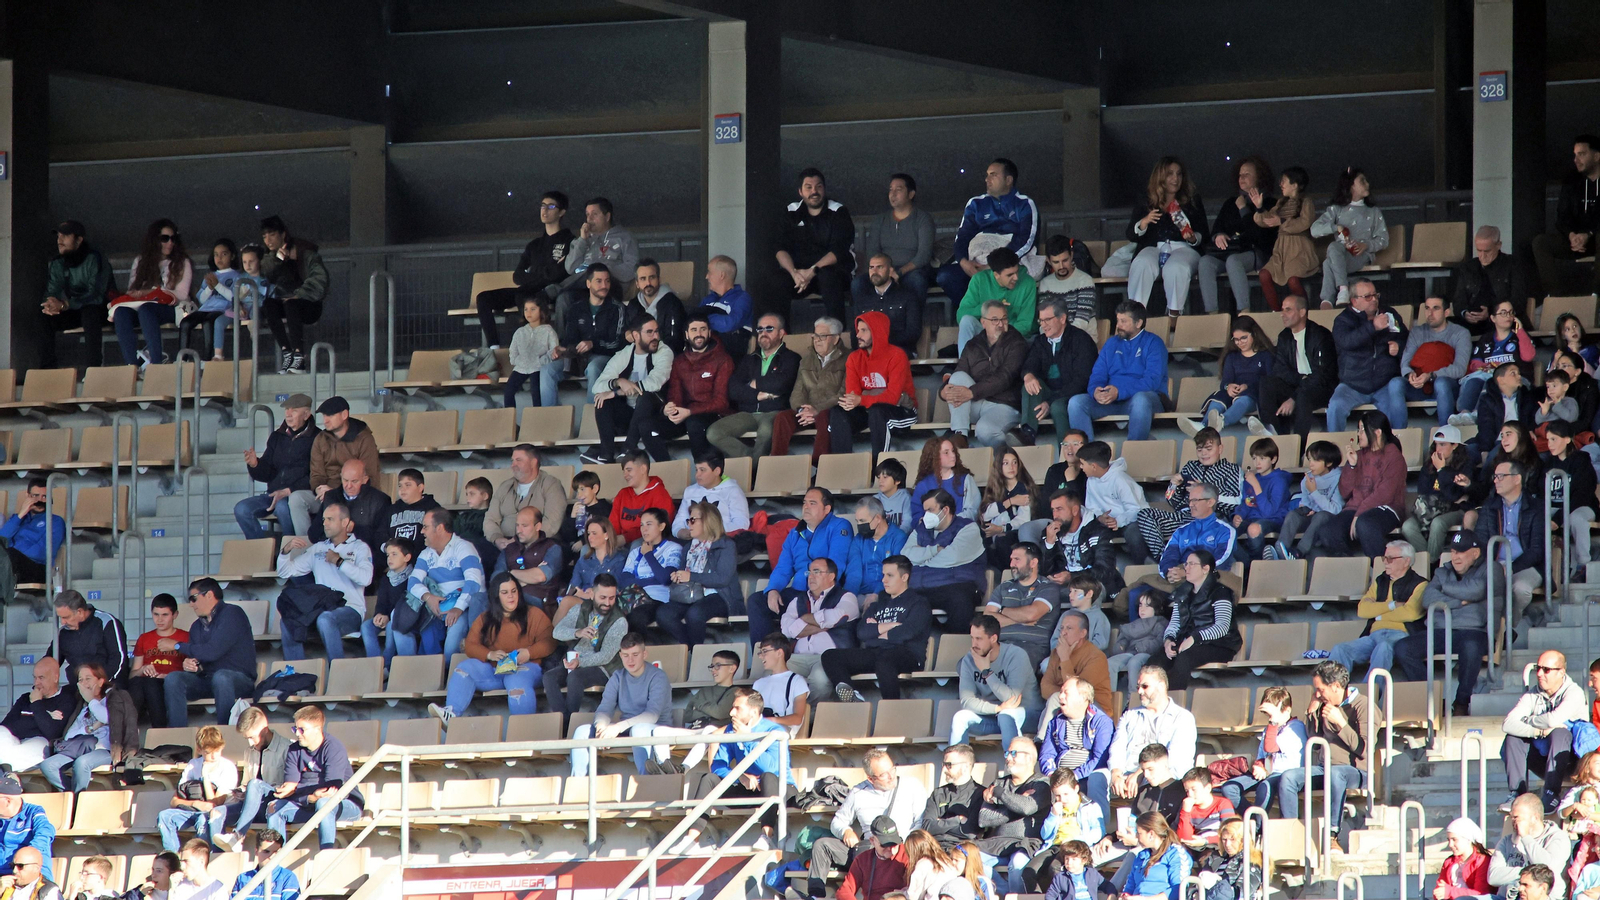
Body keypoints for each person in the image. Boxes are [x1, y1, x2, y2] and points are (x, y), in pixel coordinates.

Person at [670, 688, 795, 852]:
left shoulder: (774, 731)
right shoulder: (731, 730)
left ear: (753, 711)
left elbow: (771, 767)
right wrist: (739, 776)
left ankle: (767, 837)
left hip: (780, 788)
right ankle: (692, 839)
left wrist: (749, 739)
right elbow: (718, 766)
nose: (731, 713)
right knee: (709, 779)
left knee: (768, 777)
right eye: (732, 707)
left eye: (737, 708)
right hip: (749, 788)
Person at [430, 571, 555, 725]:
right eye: (505, 592)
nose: (511, 596)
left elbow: (550, 641)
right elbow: (470, 645)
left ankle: (522, 728)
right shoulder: (485, 618)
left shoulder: (534, 614)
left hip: (525, 668)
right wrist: (489, 654)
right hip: (494, 670)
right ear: (496, 596)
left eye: (514, 591)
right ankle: (451, 713)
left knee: (516, 679)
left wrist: (529, 653)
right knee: (464, 667)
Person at [807, 748, 929, 900]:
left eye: (892, 769)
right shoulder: (858, 792)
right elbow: (837, 821)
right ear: (871, 779)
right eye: (884, 774)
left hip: (901, 848)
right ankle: (815, 896)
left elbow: (921, 823)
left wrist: (900, 845)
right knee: (821, 845)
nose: (891, 776)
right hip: (868, 849)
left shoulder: (912, 786)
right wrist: (846, 831)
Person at [1394, 530, 1492, 717]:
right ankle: (1434, 700)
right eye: (1453, 552)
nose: (1455, 557)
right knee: (1403, 648)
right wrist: (1459, 601)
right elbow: (1428, 599)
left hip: (1473, 631)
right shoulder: (1441, 572)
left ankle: (1462, 702)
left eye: (1461, 552)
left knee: (1471, 647)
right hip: (1441, 630)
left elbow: (1477, 590)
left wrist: (1444, 590)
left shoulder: (1489, 569)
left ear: (1475, 553)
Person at [747, 486, 854, 642]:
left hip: (825, 593)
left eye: (812, 503)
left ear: (827, 509)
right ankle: (766, 652)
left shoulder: (839, 526)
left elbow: (836, 564)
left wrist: (817, 591)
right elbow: (783, 568)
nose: (806, 507)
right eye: (804, 503)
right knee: (757, 601)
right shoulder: (795, 533)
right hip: (799, 592)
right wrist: (773, 589)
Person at [1277, 660, 1370, 837]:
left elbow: (1364, 750)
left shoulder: (1363, 705)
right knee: (1288, 777)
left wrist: (1341, 723)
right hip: (1325, 768)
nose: (1317, 694)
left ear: (1335, 686)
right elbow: (1315, 740)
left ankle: (1332, 834)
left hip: (1355, 771)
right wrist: (1312, 712)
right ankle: (1290, 835)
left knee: (1335, 773)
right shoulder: (1326, 705)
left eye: (1321, 689)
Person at [823, 556, 932, 702]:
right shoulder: (877, 605)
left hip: (907, 655)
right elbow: (862, 632)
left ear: (904, 577)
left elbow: (907, 632)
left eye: (890, 575)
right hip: (876, 653)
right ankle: (853, 697)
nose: (883, 580)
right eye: (883, 575)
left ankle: (890, 708)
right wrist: (892, 626)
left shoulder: (919, 603)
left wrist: (876, 631)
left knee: (885, 661)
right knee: (830, 656)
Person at [275, 501, 372, 661]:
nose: (325, 524)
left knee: (326, 619)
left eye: (330, 519)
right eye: (324, 519)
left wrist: (339, 562)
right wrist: (286, 551)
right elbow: (285, 572)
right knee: (288, 621)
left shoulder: (359, 547)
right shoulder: (318, 549)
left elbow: (366, 578)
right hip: (320, 609)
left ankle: (337, 669)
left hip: (351, 609)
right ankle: (296, 672)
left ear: (345, 522)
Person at [475, 190, 573, 348]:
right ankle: (493, 347)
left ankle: (536, 345)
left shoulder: (569, 241)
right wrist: (545, 274)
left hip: (551, 292)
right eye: (542, 206)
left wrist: (536, 276)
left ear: (561, 212)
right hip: (527, 290)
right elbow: (518, 276)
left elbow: (560, 274)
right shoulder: (534, 245)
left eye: (551, 206)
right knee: (483, 298)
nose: (544, 210)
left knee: (524, 296)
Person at [937, 158, 1040, 307]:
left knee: (1010, 277)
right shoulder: (976, 203)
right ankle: (975, 312)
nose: (987, 179)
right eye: (987, 175)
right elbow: (962, 237)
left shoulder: (1024, 203)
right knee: (945, 276)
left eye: (993, 175)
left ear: (1008, 180)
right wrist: (964, 263)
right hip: (976, 261)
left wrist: (996, 264)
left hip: (1008, 261)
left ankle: (998, 314)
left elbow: (1026, 239)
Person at [569, 632, 672, 777]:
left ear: (644, 654)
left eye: (635, 654)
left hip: (654, 729)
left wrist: (617, 727)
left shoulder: (658, 676)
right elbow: (605, 708)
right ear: (620, 655)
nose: (630, 660)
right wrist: (600, 729)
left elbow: (652, 716)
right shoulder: (617, 677)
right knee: (582, 731)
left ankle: (646, 781)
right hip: (625, 728)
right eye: (625, 655)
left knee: (639, 729)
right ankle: (578, 783)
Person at [1066, 301, 1168, 442]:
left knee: (1141, 400)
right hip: (1112, 401)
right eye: (1118, 320)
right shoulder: (1111, 343)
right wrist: (1096, 391)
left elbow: (1151, 382)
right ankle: (1087, 452)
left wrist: (1119, 392)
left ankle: (1134, 449)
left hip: (1145, 400)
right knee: (1076, 402)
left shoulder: (1154, 343)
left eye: (1123, 321)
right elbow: (1098, 374)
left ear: (1139, 323)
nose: (1118, 325)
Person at [160, 580, 255, 729]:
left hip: (239, 680)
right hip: (208, 680)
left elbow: (212, 651)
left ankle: (226, 734)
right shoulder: (196, 627)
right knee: (174, 678)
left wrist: (177, 645)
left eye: (193, 598)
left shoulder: (232, 613)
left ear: (209, 595)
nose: (191, 604)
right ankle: (178, 735)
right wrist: (191, 665)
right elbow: (200, 659)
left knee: (222, 677)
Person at [707, 313, 802, 460]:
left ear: (781, 333)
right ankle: (752, 462)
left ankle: (754, 469)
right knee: (714, 432)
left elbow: (782, 384)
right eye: (760, 329)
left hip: (775, 412)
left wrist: (754, 383)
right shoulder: (749, 359)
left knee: (766, 431)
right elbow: (733, 388)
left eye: (769, 329)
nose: (763, 333)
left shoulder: (792, 358)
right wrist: (757, 395)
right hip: (748, 412)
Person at [1501, 650, 1587, 813]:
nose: (1539, 674)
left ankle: (1551, 793)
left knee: (1559, 733)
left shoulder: (1574, 693)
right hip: (1543, 760)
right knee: (1513, 737)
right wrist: (1538, 732)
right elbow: (1508, 723)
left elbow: (1552, 720)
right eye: (1538, 668)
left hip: (1571, 763)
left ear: (1561, 672)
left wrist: (1528, 719)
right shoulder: (1533, 694)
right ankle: (1517, 794)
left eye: (1546, 670)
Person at [266, 706, 362, 850]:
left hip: (346, 803)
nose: (297, 734)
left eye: (302, 729)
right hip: (309, 804)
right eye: (295, 729)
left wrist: (299, 790)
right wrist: (310, 796)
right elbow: (290, 789)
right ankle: (274, 858)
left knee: (324, 803)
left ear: (317, 729)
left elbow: (330, 791)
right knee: (275, 807)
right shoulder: (294, 750)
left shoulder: (333, 748)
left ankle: (326, 855)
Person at [1127, 157, 1208, 326]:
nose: (1175, 178)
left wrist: (1193, 238)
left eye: (1179, 174)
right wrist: (1144, 222)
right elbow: (1131, 234)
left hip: (1184, 248)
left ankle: (1174, 317)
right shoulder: (1147, 200)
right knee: (1142, 263)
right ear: (1160, 176)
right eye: (1170, 174)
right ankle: (1135, 315)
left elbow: (1204, 234)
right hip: (1153, 247)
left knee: (1176, 267)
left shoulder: (1192, 200)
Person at [1137, 428, 1242, 558]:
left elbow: (1236, 501)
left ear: (1220, 448)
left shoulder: (1231, 469)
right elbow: (1171, 500)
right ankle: (1163, 558)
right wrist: (1174, 486)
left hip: (1210, 518)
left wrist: (1204, 490)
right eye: (1199, 449)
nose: (1204, 453)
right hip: (1184, 516)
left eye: (1209, 449)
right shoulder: (1191, 466)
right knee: (1145, 514)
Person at [1326, 541, 1426, 679]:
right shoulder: (1380, 581)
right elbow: (1362, 610)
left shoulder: (1420, 584)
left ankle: (1369, 692)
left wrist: (1379, 616)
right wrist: (1392, 605)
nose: (1385, 562)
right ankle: (1331, 690)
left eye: (1390, 558)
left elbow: (1410, 612)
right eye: (1384, 558)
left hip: (1401, 636)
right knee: (1340, 649)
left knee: (1383, 647)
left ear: (1406, 561)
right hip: (1373, 635)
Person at [288, 396, 381, 541]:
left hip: (353, 496)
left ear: (344, 415)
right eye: (324, 416)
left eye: (330, 415)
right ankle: (307, 545)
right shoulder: (321, 438)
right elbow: (316, 474)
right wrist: (319, 489)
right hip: (325, 496)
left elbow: (368, 476)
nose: (325, 420)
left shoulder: (364, 438)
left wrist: (335, 492)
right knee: (296, 499)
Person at [585, 315, 674, 465]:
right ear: (636, 335)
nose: (656, 337)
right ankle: (606, 454)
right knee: (602, 399)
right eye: (650, 332)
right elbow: (597, 386)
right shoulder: (624, 354)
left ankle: (628, 448)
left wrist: (617, 392)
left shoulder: (664, 351)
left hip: (656, 414)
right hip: (630, 415)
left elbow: (655, 383)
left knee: (645, 396)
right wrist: (618, 382)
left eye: (657, 331)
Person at [642, 312, 732, 460]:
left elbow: (721, 402)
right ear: (686, 335)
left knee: (694, 423)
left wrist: (690, 411)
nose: (699, 334)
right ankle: (669, 467)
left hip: (713, 415)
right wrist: (671, 408)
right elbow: (675, 394)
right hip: (686, 415)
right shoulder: (679, 361)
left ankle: (702, 470)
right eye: (694, 330)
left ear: (709, 332)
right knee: (646, 425)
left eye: (703, 329)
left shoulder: (723, 359)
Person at [1319, 411, 1407, 558]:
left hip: (1387, 508)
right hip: (1355, 509)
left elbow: (1385, 494)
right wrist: (1352, 466)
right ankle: (1352, 567)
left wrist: (1360, 513)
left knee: (1365, 524)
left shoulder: (1394, 456)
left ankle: (1380, 568)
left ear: (1377, 432)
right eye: (1358, 429)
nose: (1358, 434)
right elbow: (1344, 492)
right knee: (1328, 531)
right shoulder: (1357, 455)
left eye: (1362, 429)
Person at [38, 662, 136, 793]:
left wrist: (92, 701)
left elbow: (107, 718)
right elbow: (69, 735)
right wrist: (90, 729)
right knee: (48, 765)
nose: (84, 683)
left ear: (100, 681)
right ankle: (73, 796)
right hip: (80, 748)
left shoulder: (114, 698)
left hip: (105, 749)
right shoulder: (83, 706)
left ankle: (78, 799)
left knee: (82, 763)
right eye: (80, 680)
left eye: (88, 679)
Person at [1249, 294, 1338, 439]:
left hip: (1321, 388)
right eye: (1282, 309)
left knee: (1303, 395)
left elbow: (1322, 375)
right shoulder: (1284, 336)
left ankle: (1298, 445)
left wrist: (1293, 398)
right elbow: (1280, 370)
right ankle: (1272, 434)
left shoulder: (1321, 335)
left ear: (1302, 312)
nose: (1282, 314)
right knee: (1266, 383)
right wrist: (1301, 380)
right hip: (1299, 384)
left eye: (1288, 310)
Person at [546, 574, 629, 725]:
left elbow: (605, 656)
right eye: (603, 597)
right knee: (549, 677)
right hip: (575, 661)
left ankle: (567, 725)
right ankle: (564, 721)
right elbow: (557, 632)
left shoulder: (619, 621)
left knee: (575, 677)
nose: (607, 603)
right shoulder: (579, 609)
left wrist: (580, 662)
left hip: (604, 668)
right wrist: (577, 632)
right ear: (591, 594)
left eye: (611, 598)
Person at [109, 219, 193, 368]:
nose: (170, 243)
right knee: (121, 312)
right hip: (143, 306)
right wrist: (138, 294)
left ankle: (156, 363)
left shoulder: (182, 262)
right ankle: (132, 366)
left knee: (147, 309)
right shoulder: (140, 261)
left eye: (173, 238)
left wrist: (153, 292)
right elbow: (132, 290)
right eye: (165, 238)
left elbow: (182, 294)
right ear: (154, 240)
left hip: (170, 308)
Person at [949, 616, 1043, 748]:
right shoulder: (969, 660)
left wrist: (987, 672)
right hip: (995, 716)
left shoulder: (1016, 655)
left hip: (1027, 715)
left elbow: (1011, 699)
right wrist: (997, 709)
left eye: (979, 639)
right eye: (972, 638)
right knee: (960, 717)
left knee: (1006, 715)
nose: (974, 644)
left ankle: (1011, 758)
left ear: (993, 638)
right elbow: (966, 701)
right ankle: (955, 759)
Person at [1327, 279, 1409, 430]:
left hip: (1384, 383)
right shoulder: (1343, 320)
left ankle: (1396, 443)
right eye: (1367, 297)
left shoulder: (1389, 313)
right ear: (1354, 301)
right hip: (1353, 384)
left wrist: (1399, 346)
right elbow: (1347, 342)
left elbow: (1406, 339)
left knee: (1394, 413)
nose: (1374, 300)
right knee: (1335, 407)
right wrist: (1373, 327)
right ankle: (1332, 444)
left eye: (1375, 295)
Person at [904, 489, 987, 636]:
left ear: (945, 510)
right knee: (891, 598)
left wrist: (920, 559)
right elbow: (905, 556)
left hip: (955, 585)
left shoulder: (968, 528)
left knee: (960, 600)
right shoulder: (920, 530)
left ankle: (954, 645)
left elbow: (951, 557)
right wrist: (934, 550)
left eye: (930, 510)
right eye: (925, 511)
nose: (926, 515)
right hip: (920, 588)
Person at [1153, 550, 1240, 689]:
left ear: (1205, 569)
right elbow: (1175, 622)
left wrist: (1195, 638)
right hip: (1189, 642)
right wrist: (1168, 640)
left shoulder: (1221, 592)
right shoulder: (1182, 593)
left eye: (1192, 564)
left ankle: (1173, 699)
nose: (1186, 568)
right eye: (1186, 564)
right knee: (1155, 663)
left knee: (1184, 658)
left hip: (1220, 645)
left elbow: (1222, 626)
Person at [945, 301, 1028, 448]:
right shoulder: (973, 344)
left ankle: (1006, 456)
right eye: (995, 320)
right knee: (957, 377)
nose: (1000, 324)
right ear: (983, 322)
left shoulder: (1016, 342)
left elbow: (1005, 377)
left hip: (1005, 404)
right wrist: (943, 391)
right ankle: (960, 436)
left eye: (1004, 319)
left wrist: (972, 392)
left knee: (984, 430)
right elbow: (960, 371)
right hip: (978, 401)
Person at [1106, 667, 1199, 798]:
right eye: (1138, 687)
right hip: (1126, 774)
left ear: (1161, 686)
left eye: (1145, 686)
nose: (1139, 691)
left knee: (1157, 776)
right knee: (1098, 778)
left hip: (1159, 774)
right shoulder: (1129, 716)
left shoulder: (1182, 717)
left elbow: (1174, 758)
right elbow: (1117, 747)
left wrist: (1140, 773)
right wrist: (1116, 773)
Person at [1199, 157, 1275, 315]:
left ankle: (1244, 311)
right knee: (1205, 262)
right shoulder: (1230, 202)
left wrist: (1244, 209)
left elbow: (1259, 236)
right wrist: (1218, 235)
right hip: (1229, 251)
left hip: (1255, 252)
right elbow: (1217, 227)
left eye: (1247, 174)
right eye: (1240, 175)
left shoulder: (1269, 202)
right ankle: (1212, 314)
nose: (1242, 178)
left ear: (1259, 177)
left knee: (1234, 261)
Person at [235, 393, 317, 539]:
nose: (288, 414)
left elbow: (316, 474)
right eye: (287, 410)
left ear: (306, 415)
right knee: (241, 509)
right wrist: (255, 465)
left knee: (282, 507)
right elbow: (268, 473)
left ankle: (291, 548)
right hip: (273, 494)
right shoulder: (277, 437)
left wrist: (289, 490)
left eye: (294, 410)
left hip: (297, 495)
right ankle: (261, 549)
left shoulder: (318, 438)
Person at [778, 168, 855, 322]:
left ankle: (836, 330)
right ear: (800, 191)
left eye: (818, 186)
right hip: (799, 276)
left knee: (828, 276)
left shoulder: (838, 211)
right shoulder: (791, 211)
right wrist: (793, 273)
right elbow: (780, 248)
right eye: (809, 187)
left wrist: (813, 271)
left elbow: (839, 250)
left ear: (824, 189)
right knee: (775, 280)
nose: (814, 191)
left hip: (831, 273)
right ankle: (779, 332)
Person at [210, 706, 292, 852]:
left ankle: (238, 836)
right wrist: (241, 792)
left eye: (252, 737)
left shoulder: (287, 748)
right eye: (246, 738)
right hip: (251, 806)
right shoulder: (249, 752)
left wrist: (254, 788)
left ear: (264, 729)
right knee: (217, 813)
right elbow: (246, 783)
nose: (250, 742)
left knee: (255, 784)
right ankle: (217, 857)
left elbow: (289, 786)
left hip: (273, 803)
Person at [1017, 298, 1097, 446]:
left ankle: (1066, 452)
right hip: (1049, 391)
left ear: (1062, 318)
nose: (1043, 325)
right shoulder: (1040, 341)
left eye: (1047, 320)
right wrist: (1028, 376)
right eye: (1041, 321)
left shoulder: (1081, 340)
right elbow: (1030, 364)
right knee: (1030, 386)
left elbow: (1082, 380)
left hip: (1073, 393)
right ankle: (1027, 434)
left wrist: (1050, 401)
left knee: (1057, 407)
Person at [410, 508, 487, 660]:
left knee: (451, 647)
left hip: (465, 608)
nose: (422, 531)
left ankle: (448, 672)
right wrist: (428, 597)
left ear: (439, 528)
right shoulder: (426, 553)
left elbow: (474, 582)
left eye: (425, 527)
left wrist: (458, 608)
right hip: (437, 608)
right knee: (428, 643)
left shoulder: (464, 547)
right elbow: (413, 582)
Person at [974, 737, 1049, 896]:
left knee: (1017, 863)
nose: (1008, 758)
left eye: (1013, 753)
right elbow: (983, 819)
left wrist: (1001, 795)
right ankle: (1005, 892)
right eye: (1007, 753)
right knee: (970, 859)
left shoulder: (1042, 784)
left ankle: (1015, 897)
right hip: (997, 844)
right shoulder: (999, 783)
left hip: (1026, 844)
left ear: (1029, 758)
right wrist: (1016, 804)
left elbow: (1027, 807)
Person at [1477, 459, 1546, 630]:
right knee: (1479, 587)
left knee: (1520, 589)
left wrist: (1511, 568)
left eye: (1501, 476)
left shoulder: (1536, 507)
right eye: (1495, 476)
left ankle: (1507, 631)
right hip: (1495, 564)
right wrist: (1494, 567)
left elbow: (1537, 550)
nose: (1496, 480)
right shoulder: (1489, 506)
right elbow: (1480, 541)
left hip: (1526, 565)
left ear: (1517, 479)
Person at [838, 312, 919, 457]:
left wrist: (862, 399)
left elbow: (893, 397)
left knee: (878, 412)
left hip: (902, 410)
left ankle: (880, 465)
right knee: (837, 412)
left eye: (863, 330)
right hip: (869, 411)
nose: (858, 335)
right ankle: (843, 464)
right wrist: (856, 400)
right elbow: (853, 395)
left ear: (877, 332)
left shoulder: (897, 355)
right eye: (858, 330)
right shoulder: (854, 358)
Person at [783, 558, 863, 701]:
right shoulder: (798, 600)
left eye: (817, 572)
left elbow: (835, 617)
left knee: (820, 680)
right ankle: (788, 712)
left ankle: (811, 712)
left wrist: (803, 619)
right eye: (809, 572)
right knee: (774, 673)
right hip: (797, 658)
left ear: (831, 576)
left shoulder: (846, 596)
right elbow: (787, 629)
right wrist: (822, 625)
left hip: (829, 658)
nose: (811, 576)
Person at [660, 502, 738, 648]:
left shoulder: (726, 545)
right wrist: (678, 576)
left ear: (708, 521)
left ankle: (695, 651)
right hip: (690, 594)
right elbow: (685, 574)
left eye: (693, 520)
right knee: (664, 614)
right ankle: (689, 647)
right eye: (688, 520)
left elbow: (722, 579)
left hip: (718, 595)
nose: (688, 524)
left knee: (695, 613)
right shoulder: (688, 547)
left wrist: (691, 576)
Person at [1217, 687, 1306, 814]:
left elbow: (1271, 747)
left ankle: (1258, 823)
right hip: (1269, 772)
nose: (1269, 718)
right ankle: (1252, 820)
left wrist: (1273, 721)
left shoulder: (1296, 727)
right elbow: (1265, 755)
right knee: (1230, 788)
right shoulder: (1269, 729)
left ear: (1287, 710)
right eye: (1268, 715)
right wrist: (1260, 766)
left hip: (1285, 776)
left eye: (1272, 714)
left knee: (1264, 787)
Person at [257, 216, 329, 374]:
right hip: (286, 303)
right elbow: (262, 273)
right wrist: (277, 259)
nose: (268, 240)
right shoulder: (271, 256)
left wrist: (299, 294)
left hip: (309, 304)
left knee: (290, 303)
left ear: (283, 234)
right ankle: (287, 353)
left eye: (272, 235)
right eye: (264, 236)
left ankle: (299, 356)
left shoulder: (305, 252)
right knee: (269, 305)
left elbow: (320, 279)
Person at [1532, 135, 1600, 299]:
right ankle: (1556, 297)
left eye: (1581, 154)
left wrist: (1588, 234)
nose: (1576, 160)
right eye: (1575, 155)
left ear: (1597, 156)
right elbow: (1562, 217)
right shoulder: (1572, 181)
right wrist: (1571, 235)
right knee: (1540, 242)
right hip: (1575, 241)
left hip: (1596, 238)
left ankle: (1596, 297)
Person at [1311, 167, 1389, 308]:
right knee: (1333, 249)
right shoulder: (1336, 209)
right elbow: (1314, 230)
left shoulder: (1373, 212)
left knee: (1328, 263)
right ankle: (1342, 290)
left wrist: (1366, 245)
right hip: (1340, 254)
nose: (1367, 184)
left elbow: (1384, 240)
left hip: (1360, 255)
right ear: (1351, 185)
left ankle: (1329, 299)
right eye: (1362, 181)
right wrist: (1336, 227)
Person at [40, 220, 112, 369]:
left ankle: (93, 368)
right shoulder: (58, 263)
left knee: (89, 312)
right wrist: (50, 305)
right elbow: (52, 290)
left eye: (65, 236)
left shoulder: (94, 258)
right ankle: (48, 369)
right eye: (58, 236)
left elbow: (96, 295)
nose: (59, 240)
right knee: (45, 317)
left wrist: (65, 304)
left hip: (104, 311)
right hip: (75, 310)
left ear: (79, 240)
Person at [1181, 320, 1274, 436]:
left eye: (1243, 338)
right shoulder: (1232, 357)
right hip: (1233, 393)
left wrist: (1247, 386)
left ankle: (1221, 421)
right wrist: (1228, 386)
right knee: (1217, 400)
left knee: (1242, 400)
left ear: (1254, 334)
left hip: (1255, 393)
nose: (1240, 342)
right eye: (1236, 339)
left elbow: (1270, 380)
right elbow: (1225, 382)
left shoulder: (1265, 356)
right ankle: (1203, 425)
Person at [1452, 298, 1536, 423]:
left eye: (1511, 312)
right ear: (1493, 318)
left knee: (1490, 381)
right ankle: (1464, 414)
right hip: (1489, 375)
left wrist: (1520, 330)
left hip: (1518, 380)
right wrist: (1488, 366)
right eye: (1503, 313)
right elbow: (1474, 364)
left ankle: (1478, 413)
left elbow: (1529, 356)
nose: (1508, 316)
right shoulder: (1486, 338)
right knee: (1474, 380)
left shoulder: (1520, 335)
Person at [1401, 425, 1479, 561]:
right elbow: (1423, 492)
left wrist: (1442, 471)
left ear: (1454, 445)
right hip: (1431, 509)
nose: (1438, 449)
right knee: (1407, 526)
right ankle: (1429, 563)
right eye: (1436, 444)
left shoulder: (1466, 464)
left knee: (1438, 524)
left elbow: (1453, 496)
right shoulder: (1429, 464)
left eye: (1443, 444)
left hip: (1455, 510)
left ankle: (1430, 562)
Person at [1037, 678, 1114, 814]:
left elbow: (1099, 759)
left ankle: (1099, 825)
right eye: (1061, 692)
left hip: (1086, 775)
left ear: (1083, 697)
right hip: (1059, 776)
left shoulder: (1101, 722)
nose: (1060, 696)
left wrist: (1073, 776)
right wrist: (1052, 775)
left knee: (1096, 779)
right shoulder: (1055, 722)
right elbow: (1047, 754)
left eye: (1066, 693)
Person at [857, 172, 936, 305]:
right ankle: (867, 318)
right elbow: (872, 251)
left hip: (912, 270)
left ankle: (913, 317)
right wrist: (883, 270)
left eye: (898, 190)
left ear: (911, 194)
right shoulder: (880, 220)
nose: (892, 194)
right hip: (883, 269)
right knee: (858, 284)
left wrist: (899, 272)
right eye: (890, 190)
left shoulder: (923, 219)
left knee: (917, 280)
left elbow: (924, 255)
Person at [779, 316, 851, 459]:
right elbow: (797, 392)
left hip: (829, 411)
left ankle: (818, 463)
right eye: (815, 336)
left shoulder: (849, 358)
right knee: (782, 418)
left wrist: (817, 410)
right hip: (806, 414)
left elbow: (844, 393)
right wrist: (802, 410)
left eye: (822, 336)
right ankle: (776, 462)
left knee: (825, 416)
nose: (817, 340)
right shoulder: (806, 360)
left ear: (836, 339)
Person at [156, 725, 236, 852]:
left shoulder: (228, 767)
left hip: (214, 813)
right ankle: (173, 856)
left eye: (217, 751)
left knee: (203, 819)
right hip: (191, 810)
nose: (214, 756)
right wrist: (195, 803)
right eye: (208, 752)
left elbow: (214, 803)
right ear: (199, 750)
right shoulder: (193, 765)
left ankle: (203, 856)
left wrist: (205, 777)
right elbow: (174, 801)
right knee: (164, 816)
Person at [1398, 295, 1472, 427]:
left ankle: (1446, 432)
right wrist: (1410, 374)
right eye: (1427, 308)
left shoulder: (1461, 333)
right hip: (1419, 386)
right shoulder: (1417, 332)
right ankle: (1398, 433)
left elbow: (1459, 369)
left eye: (1436, 308)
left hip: (1449, 386)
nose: (1430, 313)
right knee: (1395, 384)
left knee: (1441, 383)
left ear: (1446, 312)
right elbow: (1405, 362)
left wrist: (1431, 375)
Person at [984, 543, 1059, 669]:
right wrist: (1021, 619)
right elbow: (987, 620)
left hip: (1032, 645)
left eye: (1017, 559)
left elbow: (1031, 614)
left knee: (1013, 662)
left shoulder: (1047, 587)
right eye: (1011, 559)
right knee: (968, 662)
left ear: (1033, 563)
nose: (1012, 564)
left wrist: (1002, 611)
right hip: (1000, 643)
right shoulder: (1004, 587)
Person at [361, 537, 435, 665]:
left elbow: (409, 606)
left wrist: (389, 618)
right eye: (388, 555)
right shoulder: (386, 579)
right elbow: (382, 603)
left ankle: (387, 664)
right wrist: (379, 614)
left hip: (407, 621)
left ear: (407, 557)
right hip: (388, 619)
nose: (389, 558)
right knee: (366, 626)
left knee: (392, 624)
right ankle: (374, 664)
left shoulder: (414, 578)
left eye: (394, 554)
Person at [952, 248, 1037, 355]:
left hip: (1013, 337)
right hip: (985, 334)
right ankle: (964, 362)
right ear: (996, 274)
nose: (1016, 277)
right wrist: (989, 308)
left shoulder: (1028, 283)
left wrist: (1000, 334)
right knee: (967, 321)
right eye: (1009, 275)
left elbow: (1025, 325)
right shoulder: (979, 280)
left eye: (1017, 272)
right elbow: (961, 315)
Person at [1255, 167, 1318, 311]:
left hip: (1299, 248)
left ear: (1294, 185)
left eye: (1283, 181)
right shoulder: (1281, 203)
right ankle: (1278, 312)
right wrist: (1259, 208)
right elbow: (1267, 220)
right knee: (1264, 275)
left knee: (1293, 280)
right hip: (1281, 249)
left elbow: (1305, 222)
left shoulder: (1306, 202)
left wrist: (1282, 222)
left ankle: (1304, 313)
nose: (1280, 184)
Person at [559, 263, 628, 392]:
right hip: (578, 357)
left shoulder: (617, 308)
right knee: (547, 370)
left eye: (607, 281)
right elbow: (570, 337)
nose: (604, 286)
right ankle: (547, 406)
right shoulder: (576, 308)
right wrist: (562, 348)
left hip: (605, 356)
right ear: (588, 284)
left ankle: (593, 405)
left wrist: (592, 344)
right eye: (599, 281)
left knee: (593, 367)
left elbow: (617, 343)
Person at [485, 445, 568, 552]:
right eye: (512, 461)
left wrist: (521, 540)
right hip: (504, 544)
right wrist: (496, 538)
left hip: (539, 543)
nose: (513, 465)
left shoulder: (551, 484)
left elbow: (552, 522)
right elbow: (490, 519)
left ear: (533, 462)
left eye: (518, 460)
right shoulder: (505, 486)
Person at [1489, 797, 1573, 900]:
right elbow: (1493, 877)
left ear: (1535, 818)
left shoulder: (1558, 838)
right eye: (1511, 817)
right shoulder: (1507, 841)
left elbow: (1546, 870)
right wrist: (1525, 872)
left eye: (1516, 817)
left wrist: (1525, 837)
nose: (1513, 821)